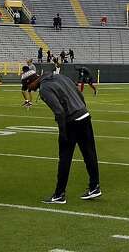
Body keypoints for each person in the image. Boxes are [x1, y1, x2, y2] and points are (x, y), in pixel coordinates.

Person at [29, 71, 101, 204]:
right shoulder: (60, 76)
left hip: (71, 121)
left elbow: (59, 111)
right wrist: (82, 109)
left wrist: (63, 132)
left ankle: (59, 194)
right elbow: (79, 93)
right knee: (90, 153)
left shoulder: (45, 88)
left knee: (65, 159)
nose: (30, 89)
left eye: (29, 86)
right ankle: (94, 186)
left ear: (32, 80)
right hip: (84, 116)